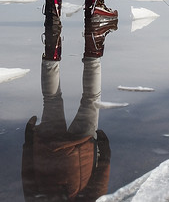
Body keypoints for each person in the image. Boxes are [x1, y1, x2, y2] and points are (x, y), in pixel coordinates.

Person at [21, 57, 111, 200]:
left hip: (79, 154)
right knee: (51, 99)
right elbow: (28, 181)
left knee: (91, 100)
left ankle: (93, 43)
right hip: (47, 151)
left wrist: (105, 159)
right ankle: (52, 43)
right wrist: (29, 144)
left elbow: (97, 190)